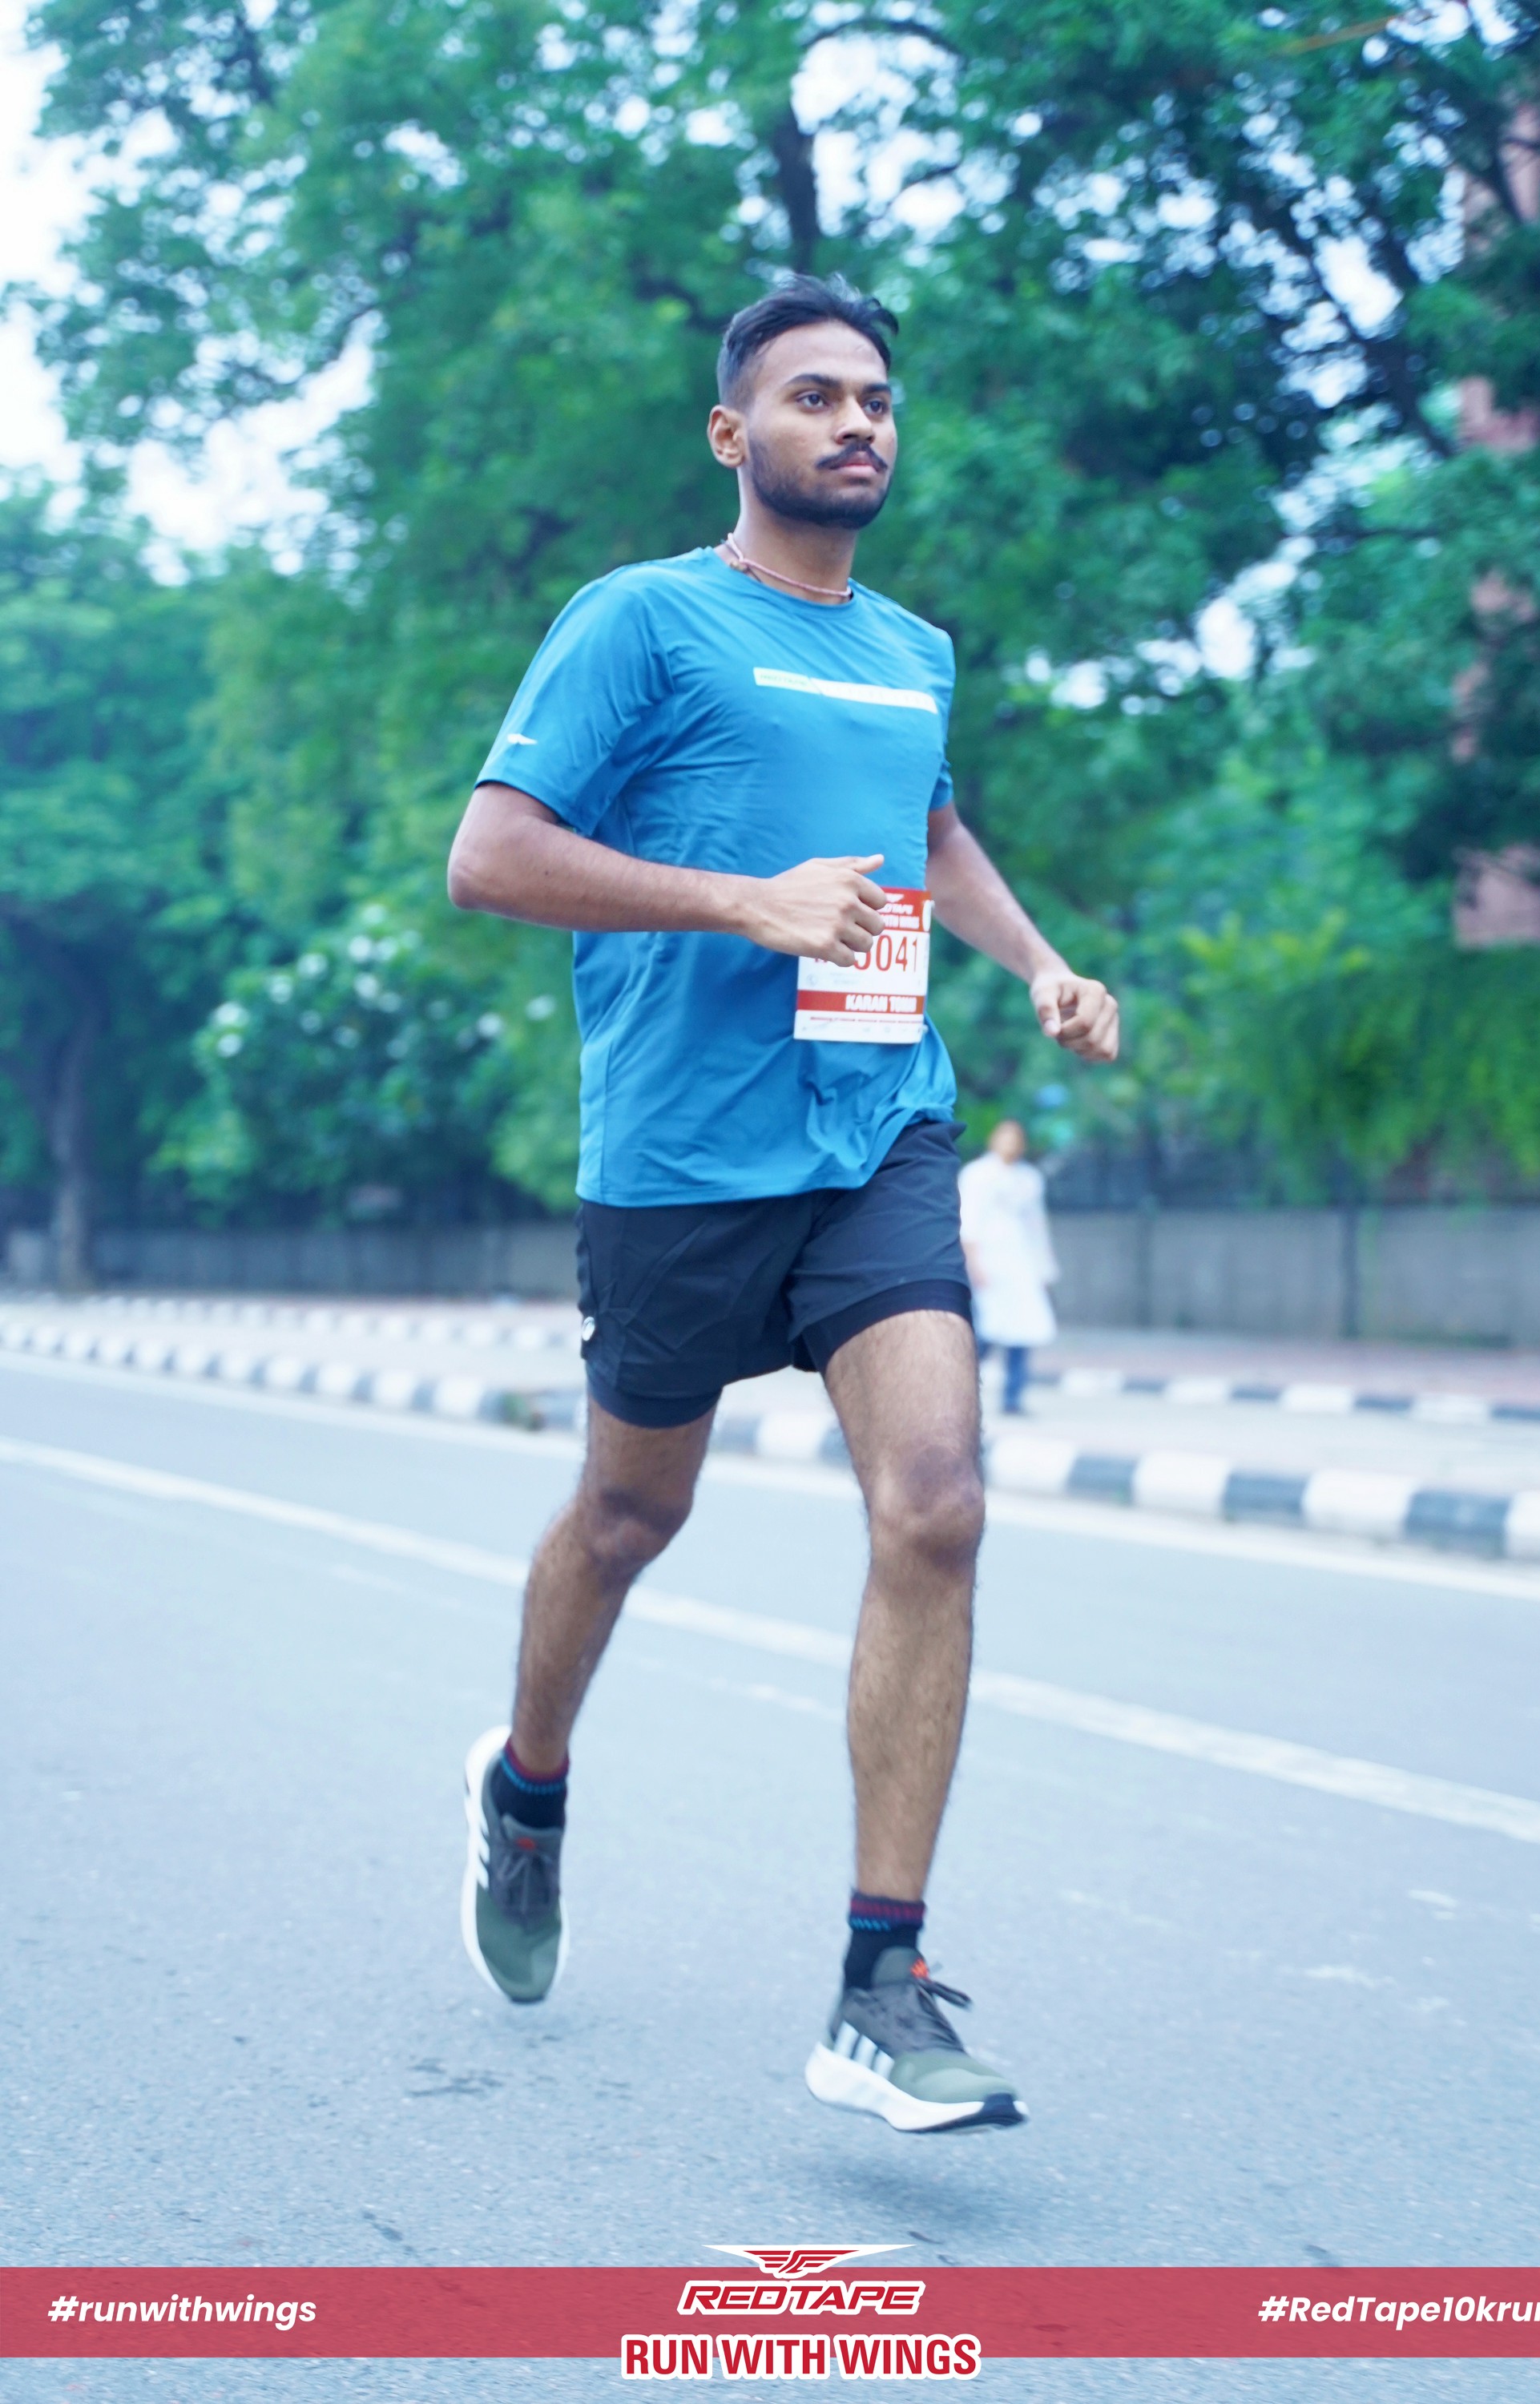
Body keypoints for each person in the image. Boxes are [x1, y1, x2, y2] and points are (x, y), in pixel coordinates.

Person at [446, 272, 1119, 2135]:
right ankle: (526, 1786)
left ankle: (877, 1983)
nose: (856, 423)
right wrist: (741, 902)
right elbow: (488, 856)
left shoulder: (911, 651)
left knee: (938, 1500)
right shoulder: (640, 621)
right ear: (730, 431)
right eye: (814, 395)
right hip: (680, 1157)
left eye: (875, 398)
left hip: (876, 1128)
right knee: (626, 1512)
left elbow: (927, 827)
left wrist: (1039, 963)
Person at [959, 1120, 1059, 1415]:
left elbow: (1037, 1226)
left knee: (1024, 1329)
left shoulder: (1029, 1178)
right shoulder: (977, 1174)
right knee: (987, 1332)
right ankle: (957, 1391)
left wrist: (1044, 1269)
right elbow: (969, 1220)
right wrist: (973, 1263)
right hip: (989, 1261)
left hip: (1022, 1262)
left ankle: (1012, 1397)